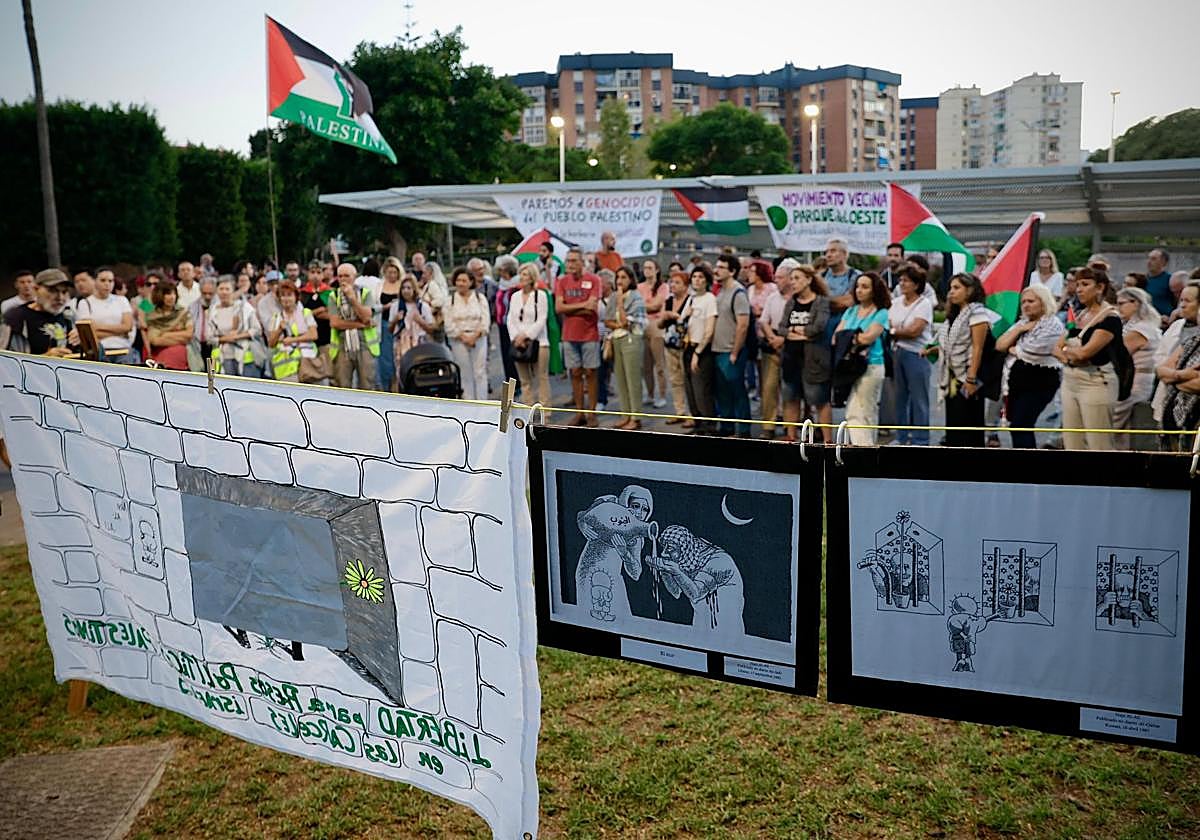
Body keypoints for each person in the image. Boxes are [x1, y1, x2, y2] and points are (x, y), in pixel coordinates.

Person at [1052, 267, 1121, 450]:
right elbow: (1056, 348)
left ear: (1099, 288)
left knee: (1098, 442)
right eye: (1078, 284)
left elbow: (1085, 353)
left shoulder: (1110, 318)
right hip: (1070, 379)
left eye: (1085, 284)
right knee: (1072, 440)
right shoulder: (1080, 313)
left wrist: (1067, 350)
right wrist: (1069, 354)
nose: (1079, 289)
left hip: (1095, 382)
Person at [996, 285, 1065, 449]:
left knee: (1021, 424)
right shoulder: (1023, 322)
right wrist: (1019, 329)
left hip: (1040, 381)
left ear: (1043, 301)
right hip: (1017, 381)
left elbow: (1032, 351)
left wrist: (1014, 348)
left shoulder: (1053, 324)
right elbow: (1000, 345)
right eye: (1023, 302)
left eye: (1031, 301)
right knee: (1017, 426)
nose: (1026, 305)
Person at [835, 272, 891, 446]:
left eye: (865, 287)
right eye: (858, 286)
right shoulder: (851, 311)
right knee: (866, 410)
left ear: (875, 290)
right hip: (850, 366)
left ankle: (862, 450)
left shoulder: (881, 313)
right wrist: (854, 337)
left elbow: (869, 338)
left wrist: (849, 337)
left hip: (872, 366)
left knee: (858, 411)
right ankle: (869, 449)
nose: (859, 290)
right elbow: (837, 336)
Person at [938, 273, 992, 447]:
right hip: (951, 375)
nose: (951, 293)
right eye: (950, 288)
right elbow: (953, 342)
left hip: (967, 376)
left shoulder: (977, 313)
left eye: (956, 288)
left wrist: (971, 378)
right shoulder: (955, 314)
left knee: (968, 424)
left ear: (969, 290)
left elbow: (977, 348)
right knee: (954, 424)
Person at [780, 264, 832, 442]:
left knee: (819, 399)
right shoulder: (791, 302)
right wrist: (797, 331)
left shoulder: (821, 302)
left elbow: (818, 328)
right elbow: (782, 328)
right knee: (791, 397)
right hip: (791, 357)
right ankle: (791, 436)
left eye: (797, 278)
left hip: (814, 360)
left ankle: (827, 440)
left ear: (809, 280)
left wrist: (797, 331)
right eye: (791, 279)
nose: (793, 282)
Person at [887, 263, 934, 445]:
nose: (902, 283)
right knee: (900, 398)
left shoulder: (924, 304)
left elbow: (915, 331)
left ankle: (921, 439)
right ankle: (902, 436)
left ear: (916, 284)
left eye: (906, 280)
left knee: (919, 398)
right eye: (900, 280)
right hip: (898, 351)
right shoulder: (896, 302)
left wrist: (894, 331)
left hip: (917, 353)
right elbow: (888, 322)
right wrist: (898, 330)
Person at [556, 248, 603, 427]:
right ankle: (579, 412)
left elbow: (593, 308)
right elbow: (559, 308)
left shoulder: (594, 280)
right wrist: (582, 306)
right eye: (568, 261)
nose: (570, 264)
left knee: (591, 373)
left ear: (583, 262)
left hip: (589, 334)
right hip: (569, 334)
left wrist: (571, 307)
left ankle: (591, 413)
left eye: (574, 260)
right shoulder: (562, 281)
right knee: (574, 373)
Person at [1112, 286, 1162, 449]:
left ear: (1136, 303)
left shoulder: (1142, 328)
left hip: (1135, 382)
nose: (1118, 308)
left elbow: (1118, 353)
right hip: (1130, 379)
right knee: (1122, 430)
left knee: (1112, 422)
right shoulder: (1134, 325)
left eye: (1122, 303)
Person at [711, 254, 751, 437]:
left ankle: (743, 430)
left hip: (731, 351)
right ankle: (726, 427)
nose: (716, 270)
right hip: (717, 350)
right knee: (722, 393)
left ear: (732, 271)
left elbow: (743, 325)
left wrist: (735, 351)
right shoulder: (720, 292)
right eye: (716, 266)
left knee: (737, 392)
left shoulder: (738, 293)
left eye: (721, 267)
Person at [604, 265, 647, 430]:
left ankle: (636, 417)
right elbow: (608, 320)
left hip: (631, 340)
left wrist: (621, 303)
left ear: (631, 279)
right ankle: (625, 414)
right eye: (618, 278)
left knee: (633, 379)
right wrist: (618, 324)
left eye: (623, 277)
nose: (620, 281)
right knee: (620, 379)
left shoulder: (636, 297)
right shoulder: (614, 296)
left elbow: (626, 322)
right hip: (616, 339)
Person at [756, 259, 795, 439]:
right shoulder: (772, 298)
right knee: (769, 387)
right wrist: (772, 338)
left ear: (789, 278)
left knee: (790, 390)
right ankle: (768, 425)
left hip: (791, 348)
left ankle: (790, 426)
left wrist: (783, 339)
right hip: (771, 348)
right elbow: (763, 320)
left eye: (779, 277)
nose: (776, 280)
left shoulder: (798, 297)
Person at [1, 269, 78, 356]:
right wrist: (45, 358)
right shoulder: (16, 318)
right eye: (52, 290)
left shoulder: (68, 315)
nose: (60, 297)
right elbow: (7, 362)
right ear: (36, 289)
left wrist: (83, 339)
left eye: (64, 292)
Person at [506, 263, 551, 409]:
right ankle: (527, 409)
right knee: (524, 379)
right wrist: (516, 338)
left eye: (525, 274)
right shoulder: (514, 296)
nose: (522, 277)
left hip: (539, 342)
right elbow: (510, 319)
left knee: (541, 377)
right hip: (518, 342)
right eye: (521, 274)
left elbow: (542, 319)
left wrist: (527, 336)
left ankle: (545, 410)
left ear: (532, 277)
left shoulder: (541, 295)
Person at [329, 262, 379, 390]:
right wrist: (360, 324)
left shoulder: (365, 293)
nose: (343, 279)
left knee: (367, 384)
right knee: (343, 386)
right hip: (342, 345)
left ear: (355, 276)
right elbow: (335, 323)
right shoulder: (333, 295)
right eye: (340, 276)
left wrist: (352, 299)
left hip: (365, 344)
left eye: (347, 276)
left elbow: (367, 316)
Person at [681, 264, 718, 436]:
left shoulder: (710, 299)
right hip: (687, 346)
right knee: (690, 390)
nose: (697, 280)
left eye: (701, 277)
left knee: (701, 390)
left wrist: (698, 353)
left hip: (701, 349)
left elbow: (709, 331)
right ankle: (698, 424)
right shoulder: (691, 298)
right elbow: (681, 323)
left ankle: (708, 426)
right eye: (694, 277)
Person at [445, 266, 491, 400]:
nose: (461, 283)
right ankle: (469, 406)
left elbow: (485, 320)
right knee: (464, 374)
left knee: (480, 373)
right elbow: (448, 324)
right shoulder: (450, 301)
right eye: (458, 280)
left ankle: (483, 406)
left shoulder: (480, 298)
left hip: (479, 338)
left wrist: (475, 336)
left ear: (471, 282)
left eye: (464, 280)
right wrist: (463, 337)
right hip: (459, 340)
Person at [74, 266, 134, 364]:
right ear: (95, 281)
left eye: (110, 281)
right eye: (103, 280)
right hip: (100, 351)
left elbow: (128, 326)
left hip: (123, 349)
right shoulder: (85, 303)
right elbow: (88, 334)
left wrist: (97, 327)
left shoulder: (122, 300)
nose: (107, 284)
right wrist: (120, 331)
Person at [657, 269, 693, 427]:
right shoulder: (669, 301)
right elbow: (659, 323)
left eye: (677, 282)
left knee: (688, 379)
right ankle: (680, 411)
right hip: (669, 344)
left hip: (685, 345)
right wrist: (665, 317)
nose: (673, 285)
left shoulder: (691, 301)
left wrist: (676, 316)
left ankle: (693, 414)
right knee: (675, 379)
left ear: (686, 286)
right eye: (672, 282)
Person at [208, 276, 263, 378]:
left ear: (233, 291)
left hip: (245, 356)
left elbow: (257, 330)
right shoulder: (213, 310)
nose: (224, 292)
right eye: (221, 289)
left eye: (227, 289)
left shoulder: (245, 308)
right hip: (221, 358)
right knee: (220, 388)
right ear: (217, 291)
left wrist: (237, 337)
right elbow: (209, 337)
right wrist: (228, 338)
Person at [266, 281, 318, 382]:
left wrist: (293, 340)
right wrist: (279, 330)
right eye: (283, 295)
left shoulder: (305, 313)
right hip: (286, 369)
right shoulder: (275, 318)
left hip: (307, 363)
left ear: (296, 297)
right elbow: (271, 343)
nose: (286, 299)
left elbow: (313, 334)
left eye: (289, 295)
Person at [638, 260, 669, 409]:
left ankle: (662, 395)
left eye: (650, 267)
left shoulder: (663, 287)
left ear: (656, 270)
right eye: (645, 268)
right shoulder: (640, 287)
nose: (647, 270)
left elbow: (657, 305)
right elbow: (637, 305)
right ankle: (650, 394)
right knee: (645, 364)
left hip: (657, 325)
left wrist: (645, 305)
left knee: (659, 364)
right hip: (642, 325)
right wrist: (648, 306)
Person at [142, 280, 193, 370]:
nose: (172, 297)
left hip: (181, 352)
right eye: (168, 294)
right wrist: (181, 336)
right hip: (156, 353)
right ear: (160, 295)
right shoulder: (153, 315)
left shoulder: (183, 312)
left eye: (174, 294)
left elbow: (189, 334)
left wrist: (166, 334)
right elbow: (155, 341)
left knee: (177, 352)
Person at [388, 272, 435, 366]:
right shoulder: (395, 306)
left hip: (419, 341)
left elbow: (431, 329)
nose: (405, 291)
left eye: (409, 288)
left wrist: (420, 321)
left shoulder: (423, 306)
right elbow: (390, 329)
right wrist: (395, 320)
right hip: (401, 342)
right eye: (403, 288)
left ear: (414, 289)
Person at [299, 261, 335, 384]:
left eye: (318, 272)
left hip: (326, 337)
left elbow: (333, 315)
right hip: (308, 339)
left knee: (327, 371)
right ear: (308, 274)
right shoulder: (302, 294)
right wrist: (318, 311)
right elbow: (300, 315)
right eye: (312, 272)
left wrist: (315, 313)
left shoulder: (329, 292)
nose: (315, 275)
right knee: (310, 373)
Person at [493, 255, 522, 392]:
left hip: (514, 325)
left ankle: (518, 383)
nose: (499, 272)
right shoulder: (501, 285)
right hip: (502, 324)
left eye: (501, 270)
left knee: (514, 354)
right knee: (505, 354)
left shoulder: (517, 285)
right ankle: (509, 380)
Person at [821, 237, 861, 338]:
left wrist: (824, 301)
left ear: (844, 254)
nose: (828, 255)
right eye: (826, 252)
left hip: (845, 328)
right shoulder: (820, 276)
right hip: (821, 329)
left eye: (833, 251)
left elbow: (849, 302)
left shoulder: (856, 276)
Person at [376, 257, 404, 391]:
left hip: (401, 325)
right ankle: (386, 385)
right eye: (389, 272)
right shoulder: (379, 286)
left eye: (395, 272)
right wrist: (385, 307)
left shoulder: (403, 285)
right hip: (384, 323)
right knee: (385, 357)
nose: (392, 275)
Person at [1145, 248, 1173, 319]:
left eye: (1153, 259)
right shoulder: (1142, 280)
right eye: (1148, 258)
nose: (1149, 262)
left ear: (1164, 262)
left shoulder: (1170, 280)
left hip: (1164, 320)